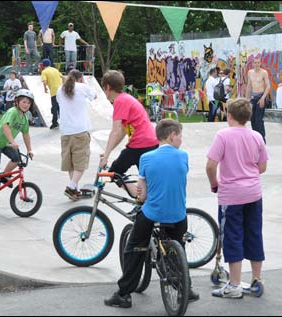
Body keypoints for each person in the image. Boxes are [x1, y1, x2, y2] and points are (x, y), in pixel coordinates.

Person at [104, 119, 199, 309]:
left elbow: (143, 193)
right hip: (178, 215)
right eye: (180, 135)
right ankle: (185, 288)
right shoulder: (183, 156)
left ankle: (123, 294)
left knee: (134, 249)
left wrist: (140, 194)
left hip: (153, 213)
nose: (181, 139)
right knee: (178, 247)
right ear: (172, 135)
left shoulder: (146, 158)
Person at [206, 98, 269, 299]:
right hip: (253, 193)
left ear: (229, 115)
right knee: (254, 233)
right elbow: (262, 167)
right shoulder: (257, 136)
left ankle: (234, 284)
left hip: (231, 195)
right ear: (248, 116)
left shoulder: (223, 135)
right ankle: (256, 279)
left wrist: (214, 183)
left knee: (232, 236)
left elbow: (210, 164)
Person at [99, 70, 159, 197]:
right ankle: (144, 201)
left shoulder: (119, 101)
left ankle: (141, 200)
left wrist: (105, 158)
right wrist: (107, 152)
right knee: (146, 180)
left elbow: (115, 131)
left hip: (140, 144)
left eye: (104, 90)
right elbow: (121, 131)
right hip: (149, 142)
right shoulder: (126, 98)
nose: (105, 94)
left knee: (115, 172)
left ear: (108, 87)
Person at [0, 89, 35, 205]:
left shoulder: (24, 118)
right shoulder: (12, 112)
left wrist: (30, 149)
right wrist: (12, 142)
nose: (26, 105)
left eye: (28, 103)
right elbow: (6, 126)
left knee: (17, 158)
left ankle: (4, 176)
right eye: (24, 102)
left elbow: (26, 134)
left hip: (5, 143)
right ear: (17, 102)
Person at [56, 69, 96, 200]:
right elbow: (94, 96)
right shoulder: (82, 87)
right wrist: (84, 83)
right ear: (80, 78)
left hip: (66, 132)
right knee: (80, 162)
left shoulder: (60, 90)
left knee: (71, 163)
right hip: (80, 131)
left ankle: (75, 190)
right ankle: (72, 186)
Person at [245, 57, 270, 143]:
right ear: (253, 63)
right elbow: (248, 86)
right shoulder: (250, 72)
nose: (257, 64)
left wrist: (263, 98)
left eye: (258, 63)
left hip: (261, 96)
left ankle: (262, 140)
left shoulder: (264, 73)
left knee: (259, 119)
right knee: (252, 119)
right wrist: (246, 99)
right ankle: (255, 138)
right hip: (253, 98)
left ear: (260, 63)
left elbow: (268, 86)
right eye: (255, 63)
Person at [41, 59, 63, 129]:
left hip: (54, 92)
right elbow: (63, 77)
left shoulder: (44, 72)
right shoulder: (55, 69)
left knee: (54, 107)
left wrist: (45, 88)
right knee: (60, 106)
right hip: (61, 91)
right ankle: (63, 121)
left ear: (43, 65)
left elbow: (44, 81)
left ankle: (54, 123)